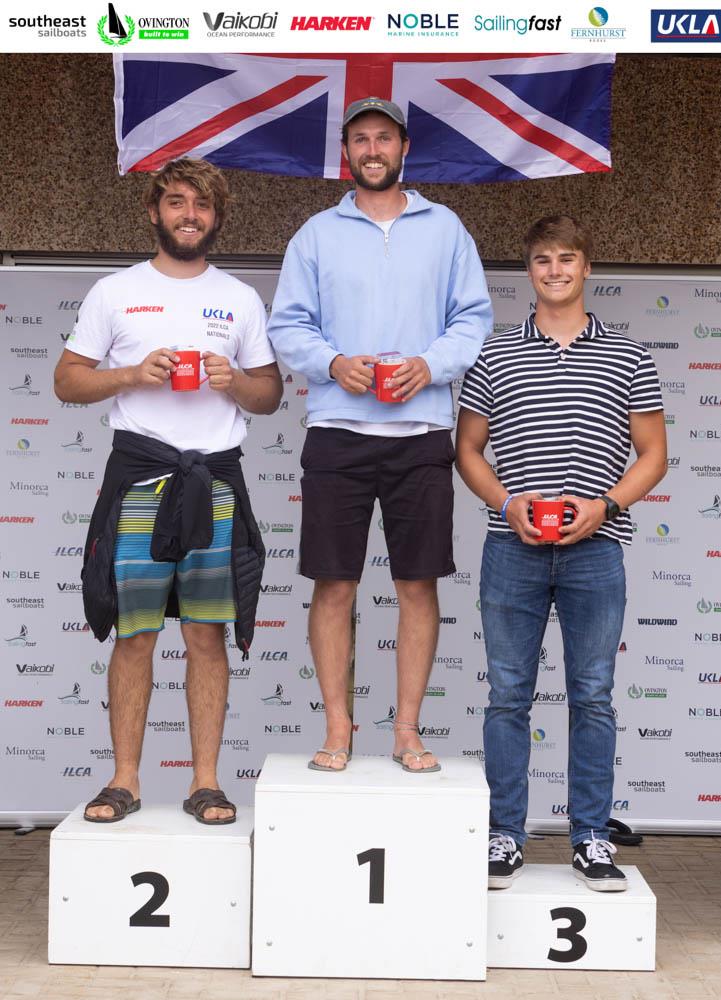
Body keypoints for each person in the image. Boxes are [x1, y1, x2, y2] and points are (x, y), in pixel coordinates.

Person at [53, 157, 282, 824]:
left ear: (216, 218)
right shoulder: (114, 291)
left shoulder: (238, 297)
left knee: (208, 635)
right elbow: (68, 382)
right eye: (178, 202)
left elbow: (268, 395)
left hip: (212, 480)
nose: (190, 215)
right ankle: (124, 780)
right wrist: (130, 375)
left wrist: (233, 382)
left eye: (202, 206)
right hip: (141, 479)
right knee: (135, 634)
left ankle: (205, 783)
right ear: (154, 211)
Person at [267, 96, 492, 773]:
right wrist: (332, 363)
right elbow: (288, 326)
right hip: (337, 428)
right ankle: (338, 728)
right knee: (334, 584)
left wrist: (431, 365)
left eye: (383, 138)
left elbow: (472, 319)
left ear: (404, 149)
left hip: (421, 430)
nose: (372, 149)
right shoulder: (315, 234)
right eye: (360, 138)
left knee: (417, 583)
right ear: (347, 153)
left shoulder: (446, 229)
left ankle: (407, 731)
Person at [456, 215, 666, 891]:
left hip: (596, 549)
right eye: (542, 260)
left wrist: (605, 506)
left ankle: (591, 839)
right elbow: (467, 448)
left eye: (566, 258)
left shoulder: (631, 355)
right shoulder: (494, 353)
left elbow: (654, 454)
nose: (554, 270)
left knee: (594, 697)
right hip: (511, 548)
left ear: (586, 267)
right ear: (530, 273)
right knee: (508, 696)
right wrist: (505, 502)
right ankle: (504, 835)